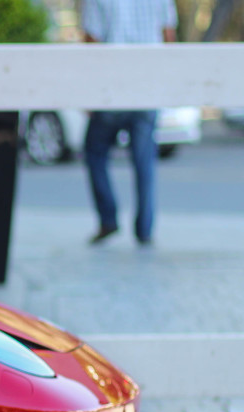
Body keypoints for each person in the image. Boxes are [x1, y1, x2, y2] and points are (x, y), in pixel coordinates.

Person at [80, 0, 178, 246]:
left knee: (95, 152)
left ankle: (108, 218)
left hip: (113, 89)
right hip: (148, 87)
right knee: (145, 162)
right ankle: (144, 229)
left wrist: (90, 92)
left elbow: (92, 41)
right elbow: (169, 37)